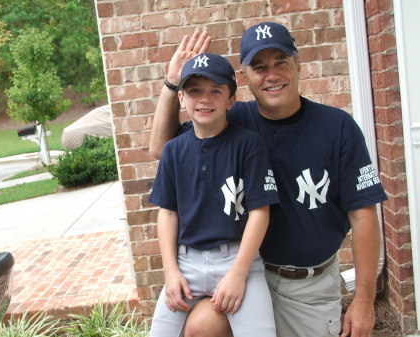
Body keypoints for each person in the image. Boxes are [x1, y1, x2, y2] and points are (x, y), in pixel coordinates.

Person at [149, 22, 388, 337]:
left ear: (298, 64)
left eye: (281, 63)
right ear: (245, 78)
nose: (272, 75)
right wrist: (172, 83)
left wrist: (364, 299)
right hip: (241, 274)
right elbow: (161, 149)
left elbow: (363, 214)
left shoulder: (337, 128)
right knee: (201, 327)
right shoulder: (231, 120)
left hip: (306, 285)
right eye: (259, 67)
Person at [148, 52, 280, 337]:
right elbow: (167, 213)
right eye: (194, 91)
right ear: (181, 98)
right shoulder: (173, 150)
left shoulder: (248, 144)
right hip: (186, 263)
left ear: (231, 100)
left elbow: (260, 212)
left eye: (215, 91)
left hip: (237, 260)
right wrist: (170, 272)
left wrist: (238, 273)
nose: (204, 99)